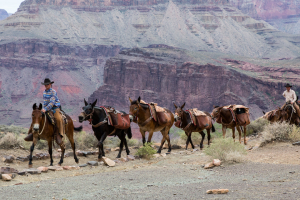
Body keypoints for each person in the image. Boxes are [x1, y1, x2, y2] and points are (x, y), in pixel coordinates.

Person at [41, 78, 64, 144]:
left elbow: (52, 103)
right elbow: (44, 102)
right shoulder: (44, 92)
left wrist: (45, 109)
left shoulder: (53, 92)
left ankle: (60, 134)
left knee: (58, 119)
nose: (46, 86)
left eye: (47, 84)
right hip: (47, 108)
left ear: (50, 84)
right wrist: (43, 109)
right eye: (45, 84)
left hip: (55, 108)